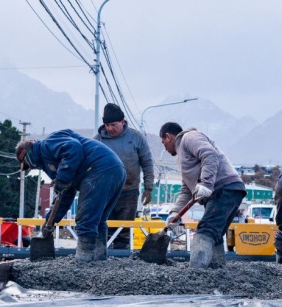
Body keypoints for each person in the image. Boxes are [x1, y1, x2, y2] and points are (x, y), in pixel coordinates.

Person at [16, 129, 125, 263]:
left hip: (98, 169)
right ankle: (99, 260)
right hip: (115, 169)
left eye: (28, 165)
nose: (32, 168)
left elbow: (73, 147)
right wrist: (51, 219)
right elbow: (65, 194)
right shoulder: (55, 161)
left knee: (86, 219)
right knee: (98, 219)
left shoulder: (47, 145)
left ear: (27, 156)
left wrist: (62, 178)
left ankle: (84, 261)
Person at [159, 122, 246, 269]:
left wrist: (206, 184)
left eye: (163, 142)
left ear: (168, 136)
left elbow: (210, 155)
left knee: (205, 231)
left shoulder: (189, 137)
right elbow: (187, 190)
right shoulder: (182, 157)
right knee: (214, 234)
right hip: (225, 190)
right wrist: (174, 214)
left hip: (223, 188)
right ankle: (217, 270)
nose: (164, 148)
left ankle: (196, 272)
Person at [93, 103, 155, 250]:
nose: (109, 128)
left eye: (113, 125)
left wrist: (148, 188)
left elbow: (147, 163)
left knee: (124, 230)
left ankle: (122, 259)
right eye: (107, 125)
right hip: (105, 193)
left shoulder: (136, 138)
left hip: (129, 192)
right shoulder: (97, 141)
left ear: (122, 121)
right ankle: (101, 258)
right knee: (103, 227)